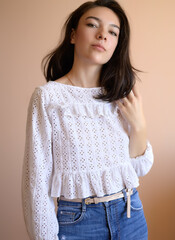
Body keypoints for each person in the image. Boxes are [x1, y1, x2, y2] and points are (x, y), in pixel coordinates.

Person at [21, 0, 154, 239]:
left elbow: (137, 168)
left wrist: (139, 125)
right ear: (73, 35)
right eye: (93, 25)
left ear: (116, 44)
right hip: (79, 223)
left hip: (131, 213)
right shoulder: (48, 97)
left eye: (113, 32)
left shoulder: (120, 95)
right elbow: (36, 181)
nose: (103, 35)